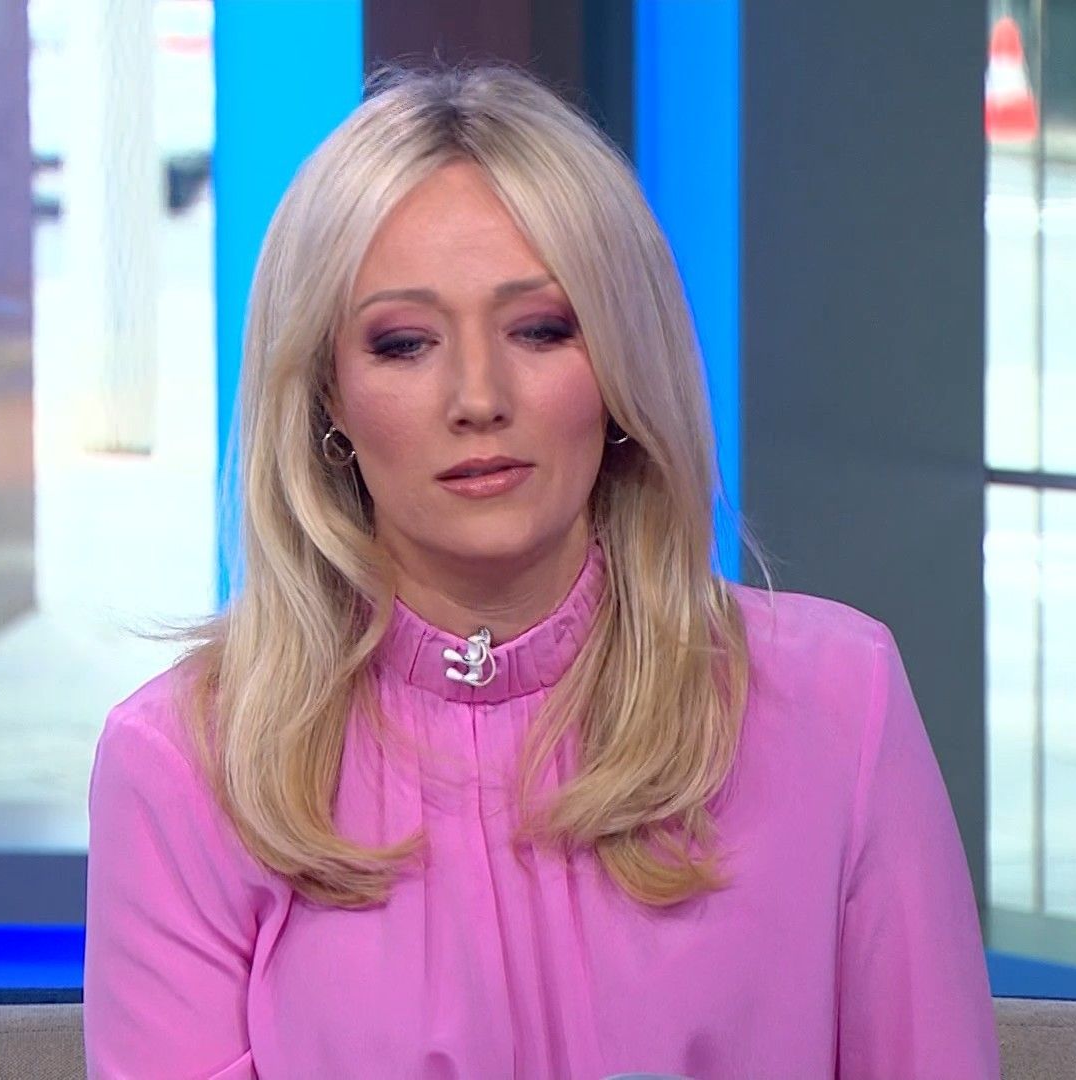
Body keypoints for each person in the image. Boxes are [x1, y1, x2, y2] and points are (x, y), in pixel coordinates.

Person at [82, 60, 1001, 1079]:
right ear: (327, 395)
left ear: (618, 364)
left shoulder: (837, 702)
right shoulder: (185, 764)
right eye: (405, 343)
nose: (479, 396)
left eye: (539, 329)